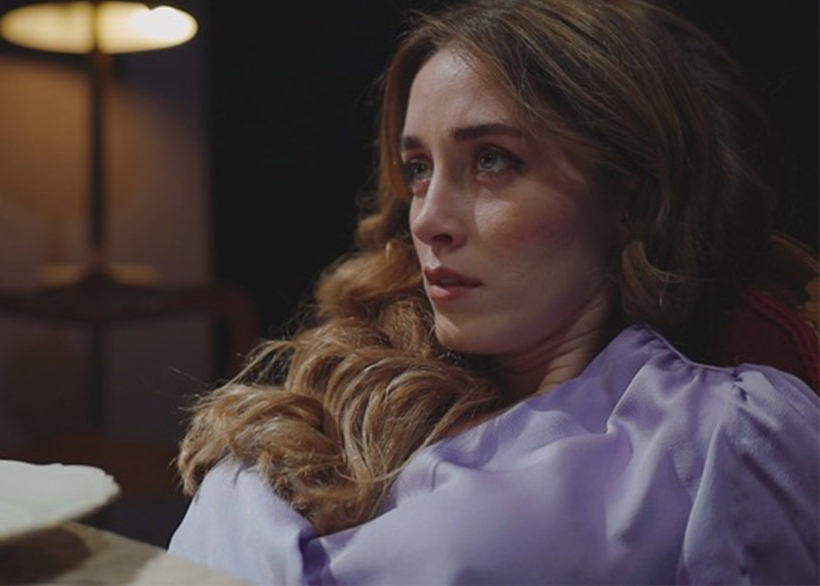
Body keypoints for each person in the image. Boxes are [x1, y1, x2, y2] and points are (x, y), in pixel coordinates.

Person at [168, 0, 819, 583]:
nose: (427, 219)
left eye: (491, 161)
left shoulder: (720, 433)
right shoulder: (346, 397)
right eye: (418, 170)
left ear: (632, 198)